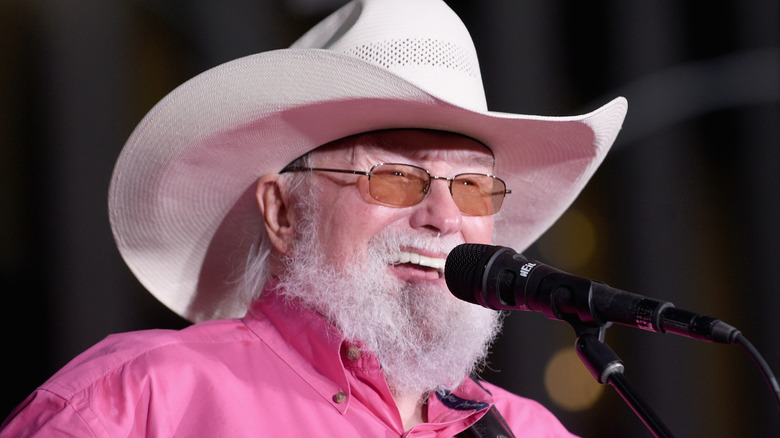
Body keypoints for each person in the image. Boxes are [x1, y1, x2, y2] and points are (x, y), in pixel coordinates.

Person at [1, 0, 627, 436]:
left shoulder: (531, 430)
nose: (442, 216)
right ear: (281, 210)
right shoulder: (134, 403)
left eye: (470, 186)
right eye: (395, 176)